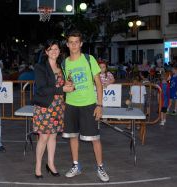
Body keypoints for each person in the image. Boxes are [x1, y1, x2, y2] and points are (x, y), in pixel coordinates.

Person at [61, 30, 109, 182]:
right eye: (71, 42)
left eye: (77, 42)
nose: (74, 45)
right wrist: (67, 85)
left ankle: (100, 167)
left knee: (95, 138)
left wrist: (99, 105)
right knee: (73, 137)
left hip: (89, 104)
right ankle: (76, 165)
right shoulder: (64, 63)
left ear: (81, 44)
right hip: (71, 105)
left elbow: (99, 84)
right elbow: (66, 83)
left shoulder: (89, 59)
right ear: (67, 44)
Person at [32, 40, 74, 179]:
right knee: (43, 137)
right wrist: (62, 88)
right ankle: (38, 166)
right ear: (46, 52)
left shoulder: (61, 66)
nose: (54, 51)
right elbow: (42, 89)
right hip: (45, 106)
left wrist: (68, 85)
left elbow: (63, 84)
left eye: (56, 49)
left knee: (53, 136)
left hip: (58, 106)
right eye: (51, 49)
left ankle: (50, 164)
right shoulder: (40, 67)